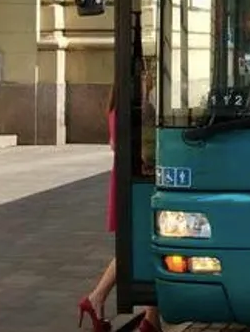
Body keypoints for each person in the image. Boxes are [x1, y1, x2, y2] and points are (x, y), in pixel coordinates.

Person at [79, 66, 162, 332]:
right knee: (145, 245)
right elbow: (148, 150)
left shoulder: (116, 109)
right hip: (143, 181)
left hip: (124, 179)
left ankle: (149, 318)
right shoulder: (141, 110)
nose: (150, 80)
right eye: (147, 76)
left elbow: (115, 145)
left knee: (141, 246)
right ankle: (99, 298)